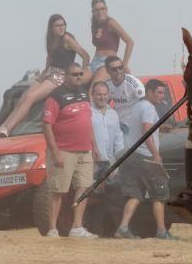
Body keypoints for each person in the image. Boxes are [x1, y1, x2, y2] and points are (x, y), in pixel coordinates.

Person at [0, 15, 91, 140]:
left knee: (31, 97)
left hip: (60, 75)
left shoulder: (67, 38)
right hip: (49, 72)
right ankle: (0, 129)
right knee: (24, 96)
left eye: (63, 25)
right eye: (58, 25)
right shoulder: (51, 40)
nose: (61, 28)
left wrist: (80, 74)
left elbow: (85, 55)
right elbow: (50, 57)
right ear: (51, 28)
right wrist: (43, 73)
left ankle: (7, 129)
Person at [42, 62, 98, 238]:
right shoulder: (55, 96)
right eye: (74, 74)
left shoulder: (83, 93)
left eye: (80, 74)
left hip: (85, 150)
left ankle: (77, 227)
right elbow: (46, 126)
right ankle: (52, 229)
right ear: (66, 76)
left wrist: (94, 146)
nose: (78, 77)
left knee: (84, 187)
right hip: (64, 150)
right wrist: (55, 152)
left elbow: (88, 122)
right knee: (58, 190)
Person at [115, 79, 176, 240]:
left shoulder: (138, 106)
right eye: (159, 92)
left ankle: (123, 227)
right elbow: (146, 132)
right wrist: (155, 155)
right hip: (146, 157)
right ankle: (162, 231)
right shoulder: (149, 108)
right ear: (149, 91)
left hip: (132, 155)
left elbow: (143, 127)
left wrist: (160, 128)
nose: (162, 96)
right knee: (159, 193)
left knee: (135, 194)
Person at [88, 0, 135, 85]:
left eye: (103, 8)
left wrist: (124, 64)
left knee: (95, 87)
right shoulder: (94, 26)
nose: (100, 12)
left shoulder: (111, 22)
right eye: (97, 10)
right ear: (93, 12)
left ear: (106, 9)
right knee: (79, 81)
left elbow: (130, 41)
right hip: (95, 61)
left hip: (107, 63)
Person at [104, 56, 145, 146]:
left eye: (120, 67)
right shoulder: (107, 84)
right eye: (114, 69)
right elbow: (102, 105)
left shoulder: (133, 83)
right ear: (107, 70)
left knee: (126, 150)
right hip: (118, 123)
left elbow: (146, 105)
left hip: (134, 124)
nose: (118, 71)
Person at [90, 81, 124, 177]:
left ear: (108, 95)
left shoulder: (113, 114)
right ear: (92, 95)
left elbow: (118, 137)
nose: (102, 97)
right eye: (99, 95)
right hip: (92, 161)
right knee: (91, 189)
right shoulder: (87, 112)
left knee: (111, 189)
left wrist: (119, 157)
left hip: (110, 161)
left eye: (105, 94)